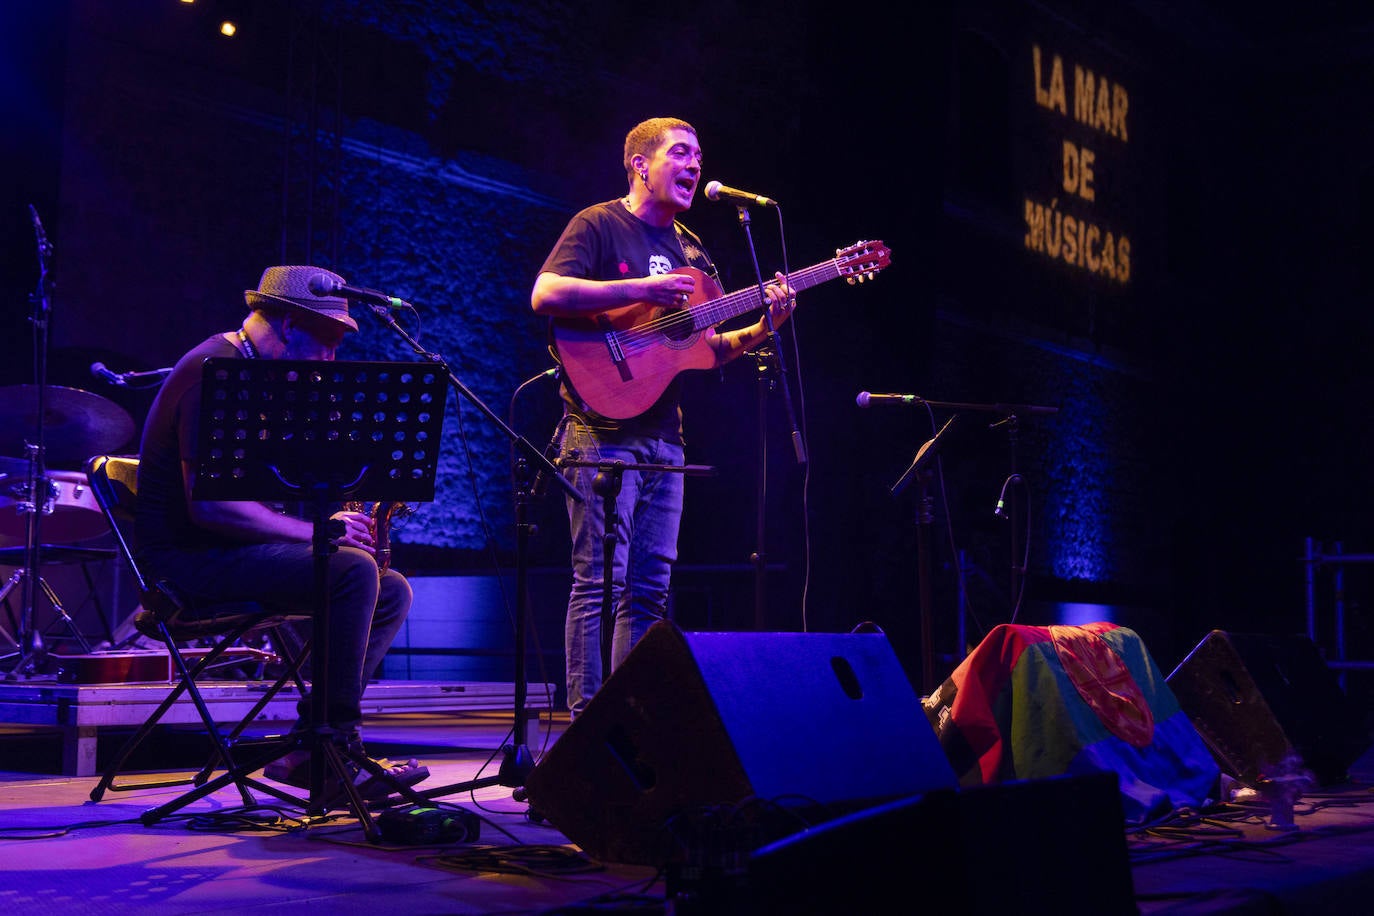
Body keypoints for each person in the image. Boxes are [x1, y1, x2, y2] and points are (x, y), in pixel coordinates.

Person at [531, 117, 798, 718]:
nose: (695, 164)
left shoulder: (692, 250)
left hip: (664, 439)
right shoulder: (599, 224)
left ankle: (632, 722)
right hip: (598, 433)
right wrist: (638, 295)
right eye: (680, 153)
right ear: (639, 164)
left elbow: (705, 349)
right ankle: (584, 726)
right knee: (599, 582)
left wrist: (765, 326)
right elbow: (544, 294)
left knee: (649, 589)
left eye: (699, 155)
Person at [134, 264, 428, 799]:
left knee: (392, 589)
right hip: (188, 561)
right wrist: (319, 531)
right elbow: (212, 511)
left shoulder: (261, 375)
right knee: (350, 570)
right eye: (326, 342)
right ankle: (336, 749)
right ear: (290, 323)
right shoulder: (213, 369)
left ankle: (303, 750)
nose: (330, 361)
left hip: (229, 548)